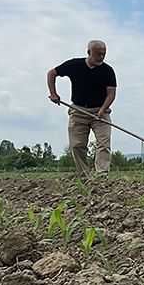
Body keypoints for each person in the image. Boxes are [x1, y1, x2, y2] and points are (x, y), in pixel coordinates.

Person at [47, 40, 117, 180]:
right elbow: (51, 73)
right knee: (77, 145)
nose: (101, 57)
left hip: (100, 112)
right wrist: (53, 93)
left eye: (104, 54)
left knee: (104, 143)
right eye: (98, 54)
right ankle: (84, 177)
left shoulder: (108, 71)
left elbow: (111, 93)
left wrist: (102, 110)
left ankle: (102, 176)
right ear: (89, 52)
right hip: (78, 111)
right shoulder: (74, 65)